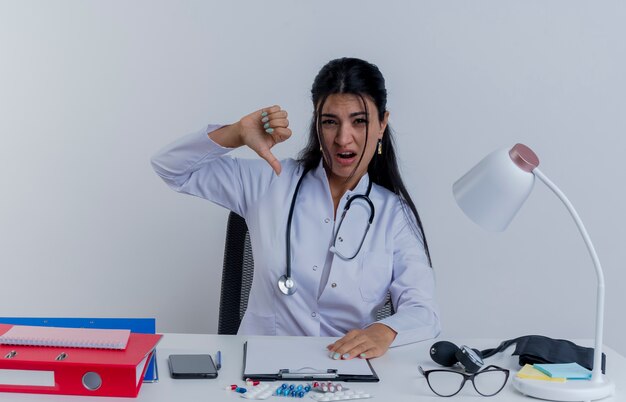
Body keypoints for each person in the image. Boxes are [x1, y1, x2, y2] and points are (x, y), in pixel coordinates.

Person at [151, 57, 440, 360]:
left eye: (360, 121)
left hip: (344, 377)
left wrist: (384, 331)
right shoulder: (270, 180)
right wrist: (236, 133)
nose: (343, 138)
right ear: (316, 123)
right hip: (260, 375)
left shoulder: (395, 216)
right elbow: (170, 167)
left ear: (382, 124)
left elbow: (424, 312)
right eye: (330, 121)